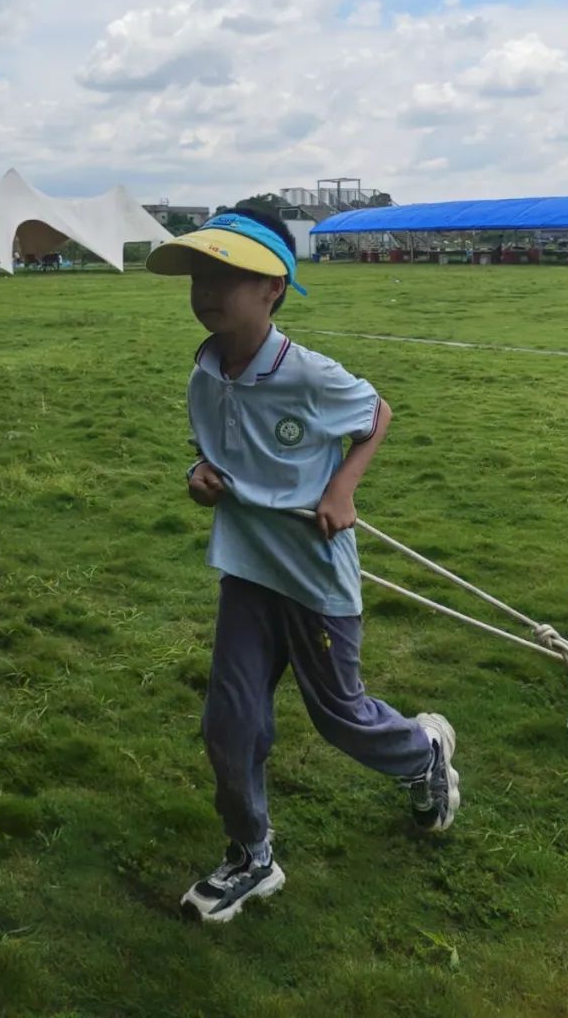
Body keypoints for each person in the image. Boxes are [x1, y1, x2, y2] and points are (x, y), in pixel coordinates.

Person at [146, 209, 460, 925]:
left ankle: (423, 755)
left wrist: (342, 485)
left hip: (315, 580)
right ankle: (251, 854)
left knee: (341, 716)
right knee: (230, 720)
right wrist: (199, 473)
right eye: (201, 272)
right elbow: (211, 449)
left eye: (228, 274)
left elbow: (376, 411)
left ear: (273, 289)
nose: (207, 287)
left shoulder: (310, 375)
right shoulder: (204, 371)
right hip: (248, 573)